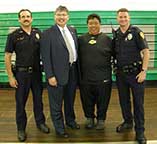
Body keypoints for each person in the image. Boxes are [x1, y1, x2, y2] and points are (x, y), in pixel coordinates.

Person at [4, 9, 49, 142]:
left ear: (32, 18)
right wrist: (11, 76)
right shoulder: (13, 35)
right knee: (20, 103)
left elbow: (46, 51)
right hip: (21, 74)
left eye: (28, 16)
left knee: (38, 100)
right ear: (19, 19)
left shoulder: (38, 33)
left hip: (36, 73)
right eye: (23, 17)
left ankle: (40, 123)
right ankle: (21, 128)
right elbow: (7, 56)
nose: (26, 18)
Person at [40, 5, 80, 138]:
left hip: (72, 71)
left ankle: (70, 121)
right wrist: (50, 75)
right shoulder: (47, 33)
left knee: (70, 99)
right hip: (56, 75)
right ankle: (59, 128)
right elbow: (45, 57)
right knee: (56, 103)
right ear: (54, 16)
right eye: (59, 15)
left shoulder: (73, 30)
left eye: (63, 15)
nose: (61, 17)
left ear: (68, 17)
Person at [112, 8, 150, 144]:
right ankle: (128, 122)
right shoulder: (116, 34)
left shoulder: (136, 32)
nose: (122, 19)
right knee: (124, 101)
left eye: (125, 17)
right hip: (121, 75)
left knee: (138, 104)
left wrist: (144, 71)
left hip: (136, 75)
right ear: (117, 18)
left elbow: (146, 52)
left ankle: (140, 131)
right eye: (120, 17)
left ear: (129, 18)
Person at [78, 14, 112, 130]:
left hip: (104, 79)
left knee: (103, 101)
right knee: (87, 101)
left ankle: (101, 119)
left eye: (96, 23)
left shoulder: (107, 40)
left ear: (100, 24)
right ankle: (89, 118)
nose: (93, 25)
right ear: (87, 25)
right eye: (91, 23)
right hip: (86, 79)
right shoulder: (81, 40)